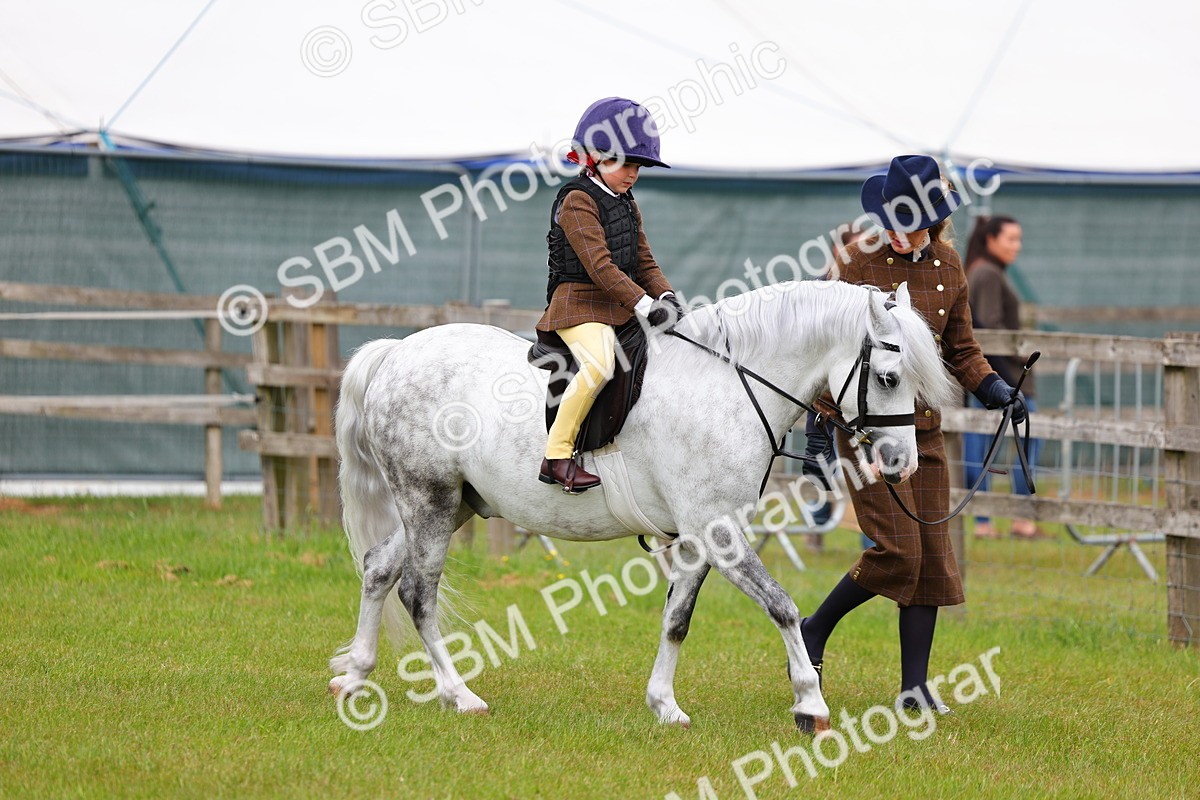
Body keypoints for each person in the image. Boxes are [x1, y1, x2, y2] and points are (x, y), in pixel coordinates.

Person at [799, 155, 1027, 713]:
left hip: (923, 432)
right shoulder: (856, 265)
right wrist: (816, 434)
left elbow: (963, 351)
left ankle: (914, 688)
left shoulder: (950, 266)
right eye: (896, 222)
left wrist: (997, 390)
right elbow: (828, 353)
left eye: (916, 225)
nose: (904, 235)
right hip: (867, 433)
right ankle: (812, 631)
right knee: (897, 552)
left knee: (928, 556)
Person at [535, 97, 684, 493]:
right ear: (595, 158)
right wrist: (644, 304)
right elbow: (601, 267)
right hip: (577, 304)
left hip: (615, 305)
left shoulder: (627, 204)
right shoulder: (576, 200)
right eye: (624, 164)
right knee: (601, 363)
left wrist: (667, 297)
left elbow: (644, 262)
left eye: (637, 166)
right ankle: (557, 457)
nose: (632, 174)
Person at [963, 215, 1044, 538]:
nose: (1017, 246)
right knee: (1018, 442)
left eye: (1019, 239)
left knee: (986, 445)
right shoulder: (987, 274)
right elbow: (989, 328)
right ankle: (1010, 518)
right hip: (1006, 380)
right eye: (1011, 238)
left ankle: (988, 519)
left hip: (995, 377)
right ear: (991, 239)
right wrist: (1019, 356)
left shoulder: (985, 272)